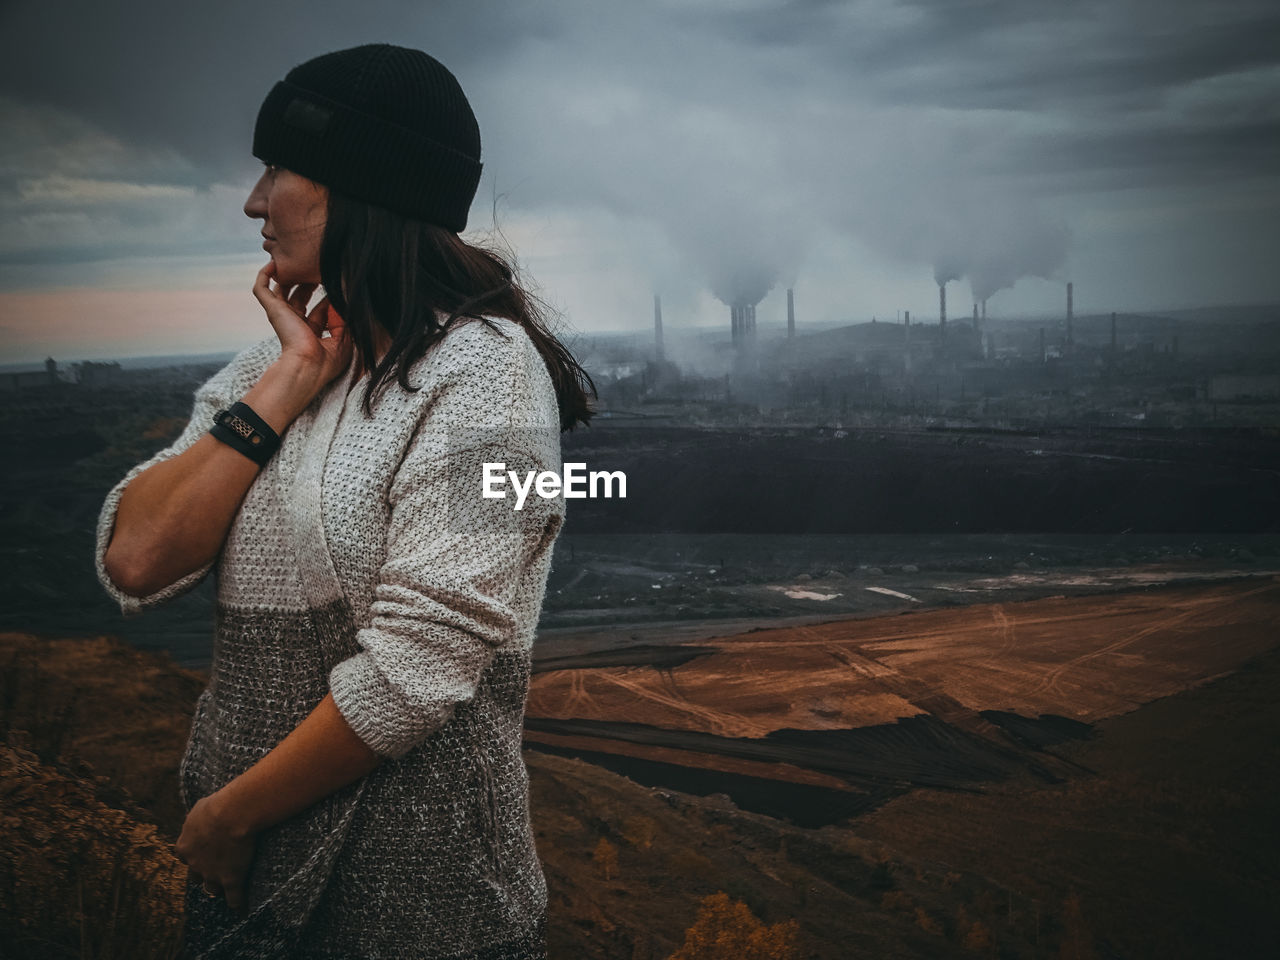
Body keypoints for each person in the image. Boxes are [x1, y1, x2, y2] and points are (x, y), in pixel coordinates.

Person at [94, 43, 595, 959]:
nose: (254, 201)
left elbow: (420, 665)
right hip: (243, 890)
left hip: (420, 904)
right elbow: (137, 559)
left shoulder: (492, 375)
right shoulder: (277, 363)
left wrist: (230, 816)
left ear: (362, 185)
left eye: (278, 168)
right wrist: (283, 388)